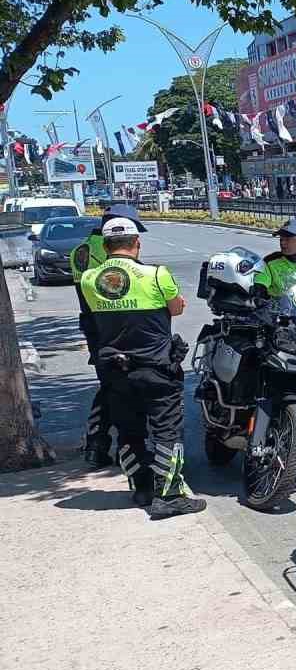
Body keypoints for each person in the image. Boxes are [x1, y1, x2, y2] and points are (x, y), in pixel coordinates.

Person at [78, 218, 204, 518]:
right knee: (166, 431)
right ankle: (169, 496)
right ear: (137, 244)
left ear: (106, 246)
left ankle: (142, 489)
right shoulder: (156, 274)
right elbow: (176, 307)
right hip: (156, 365)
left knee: (128, 429)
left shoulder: (88, 279)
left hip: (114, 368)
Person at [71, 203, 145, 467]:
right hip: (122, 327)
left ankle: (96, 445)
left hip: (96, 329)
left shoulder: (80, 251)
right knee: (122, 388)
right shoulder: (113, 252)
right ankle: (118, 447)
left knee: (110, 385)